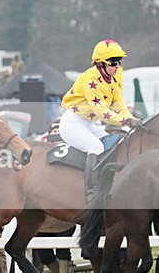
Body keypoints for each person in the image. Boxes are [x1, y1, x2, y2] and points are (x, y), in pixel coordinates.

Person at [59, 39, 140, 206]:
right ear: (100, 63)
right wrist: (127, 121)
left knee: (116, 141)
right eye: (113, 62)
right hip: (72, 123)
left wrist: (131, 120)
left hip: (88, 124)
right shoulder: (89, 79)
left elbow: (119, 105)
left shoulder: (113, 79)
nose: (117, 66)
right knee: (95, 147)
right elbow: (101, 112)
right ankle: (91, 192)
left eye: (119, 61)